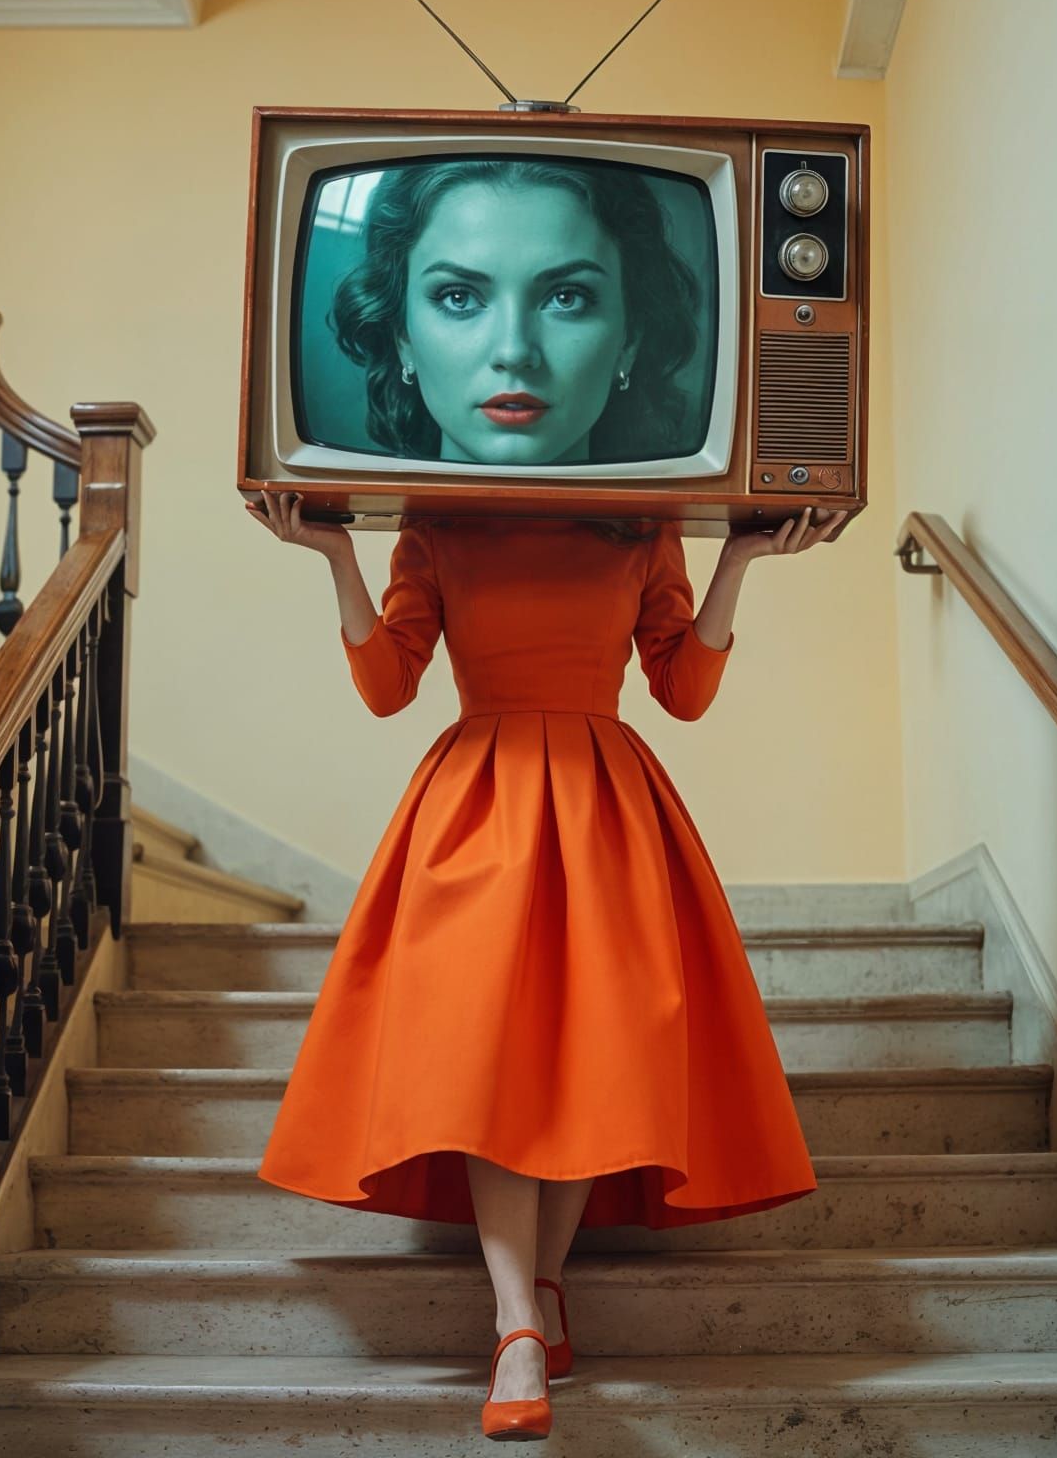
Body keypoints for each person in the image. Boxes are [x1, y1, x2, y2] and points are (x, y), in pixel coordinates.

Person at [245, 487, 849, 1442]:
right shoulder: (438, 520)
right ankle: (516, 1322)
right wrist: (333, 553)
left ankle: (546, 1285)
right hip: (476, 805)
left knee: (590, 1064)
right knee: (488, 1063)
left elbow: (683, 692)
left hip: (603, 804)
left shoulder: (642, 523)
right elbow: (388, 686)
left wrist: (737, 563)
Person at [326, 157, 707, 465]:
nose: (514, 352)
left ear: (630, 339)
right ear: (402, 336)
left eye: (566, 298)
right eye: (458, 297)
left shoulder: (652, 540)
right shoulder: (421, 545)